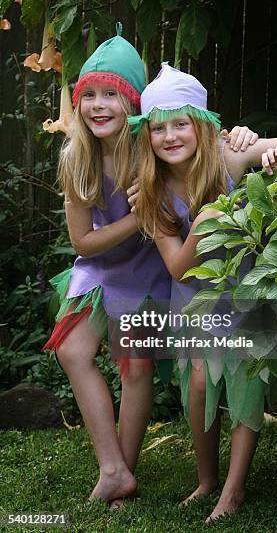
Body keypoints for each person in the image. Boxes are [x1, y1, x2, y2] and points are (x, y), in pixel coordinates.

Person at [43, 33, 258, 505]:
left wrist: (243, 136)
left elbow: (206, 149)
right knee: (74, 350)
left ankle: (125, 471)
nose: (98, 107)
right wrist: (134, 220)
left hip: (153, 266)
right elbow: (83, 242)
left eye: (112, 95)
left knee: (135, 366)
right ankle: (112, 466)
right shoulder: (78, 158)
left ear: (135, 104)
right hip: (99, 267)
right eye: (89, 97)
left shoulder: (152, 149)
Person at [127, 63, 277, 522]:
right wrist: (208, 219)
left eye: (181, 124)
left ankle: (233, 490)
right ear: (146, 135)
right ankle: (206, 478)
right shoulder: (149, 192)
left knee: (244, 384)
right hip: (194, 302)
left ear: (204, 125)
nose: (170, 136)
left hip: (244, 294)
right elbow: (179, 268)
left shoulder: (230, 158)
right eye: (158, 128)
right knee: (197, 386)